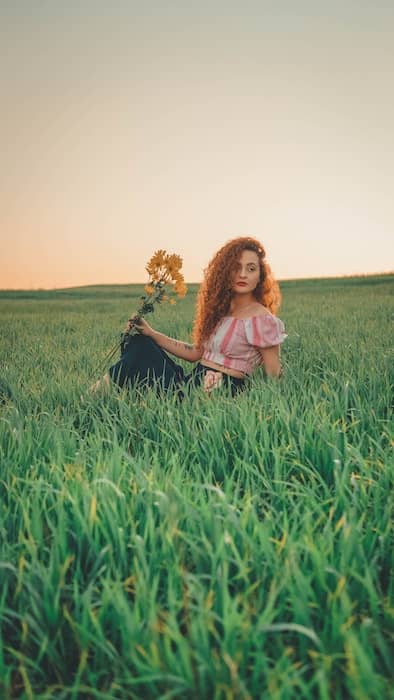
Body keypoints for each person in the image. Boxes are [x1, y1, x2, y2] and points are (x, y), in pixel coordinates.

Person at [99, 237, 287, 397]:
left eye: (251, 269)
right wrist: (151, 333)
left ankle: (90, 397)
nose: (243, 274)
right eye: (236, 268)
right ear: (225, 272)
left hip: (218, 391)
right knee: (140, 343)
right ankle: (98, 394)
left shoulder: (261, 319)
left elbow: (274, 374)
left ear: (260, 276)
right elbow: (195, 353)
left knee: (138, 356)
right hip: (192, 382)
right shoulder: (221, 311)